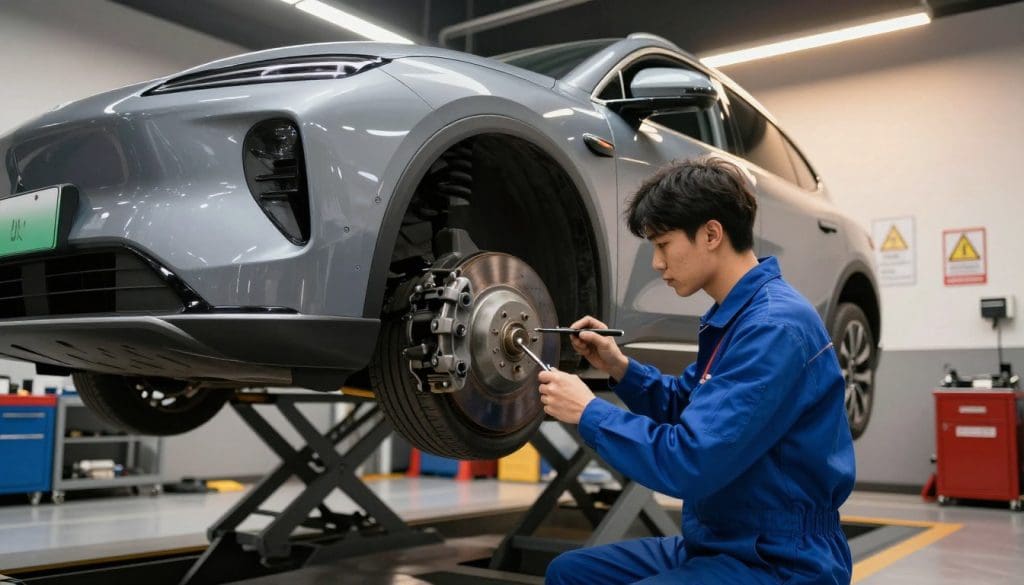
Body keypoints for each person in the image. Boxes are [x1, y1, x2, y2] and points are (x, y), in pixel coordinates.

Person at [538, 156, 855, 584]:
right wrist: (619, 366)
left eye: (663, 244)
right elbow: (684, 403)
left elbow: (689, 461)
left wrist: (588, 411)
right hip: (719, 539)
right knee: (570, 573)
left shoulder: (773, 328)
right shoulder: (734, 317)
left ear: (711, 234)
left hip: (780, 558)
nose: (656, 263)